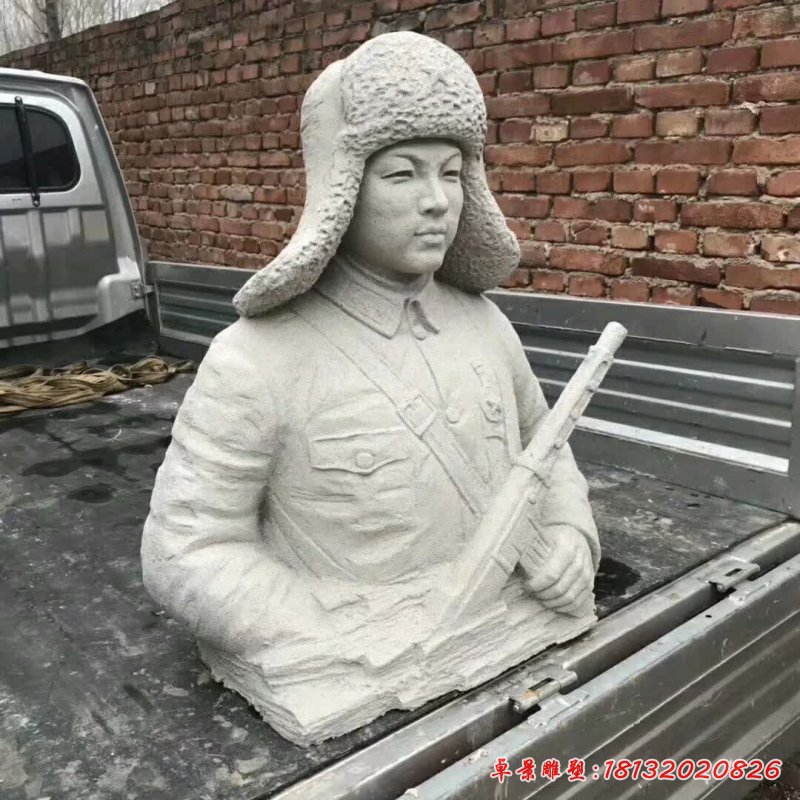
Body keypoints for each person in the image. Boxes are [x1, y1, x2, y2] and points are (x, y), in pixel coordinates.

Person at [141, 31, 600, 745]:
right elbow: (186, 552)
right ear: (343, 186)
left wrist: (571, 535)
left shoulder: (487, 326)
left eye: (451, 174)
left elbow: (549, 448)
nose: (436, 202)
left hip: (508, 622)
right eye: (402, 175)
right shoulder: (254, 360)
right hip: (351, 658)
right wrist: (329, 626)